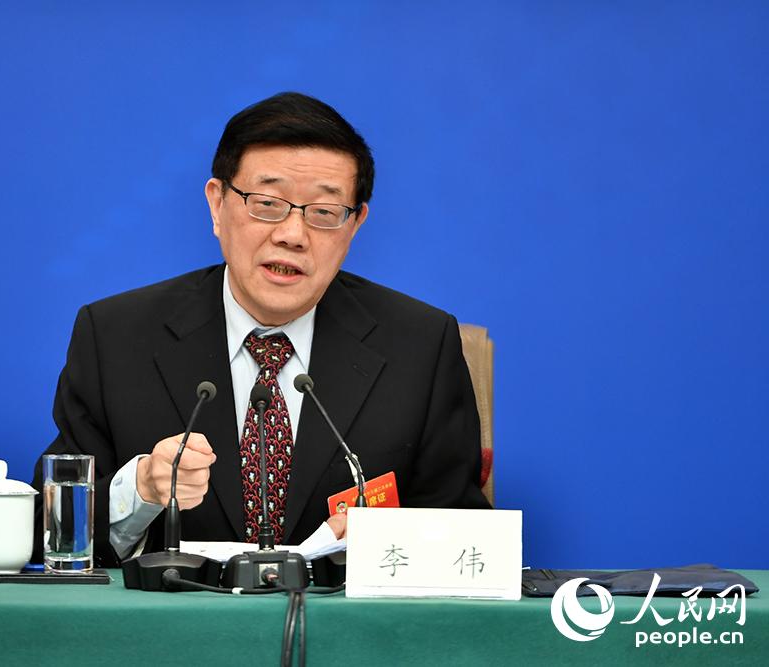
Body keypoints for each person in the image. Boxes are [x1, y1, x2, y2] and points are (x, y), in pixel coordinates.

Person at [32, 92, 489, 567]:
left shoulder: (420, 345)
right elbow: (49, 531)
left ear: (354, 225)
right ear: (217, 205)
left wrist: (388, 539)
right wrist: (141, 488)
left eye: (324, 212)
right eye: (267, 204)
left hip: (341, 616)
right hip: (175, 615)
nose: (292, 235)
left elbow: (466, 538)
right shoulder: (116, 337)